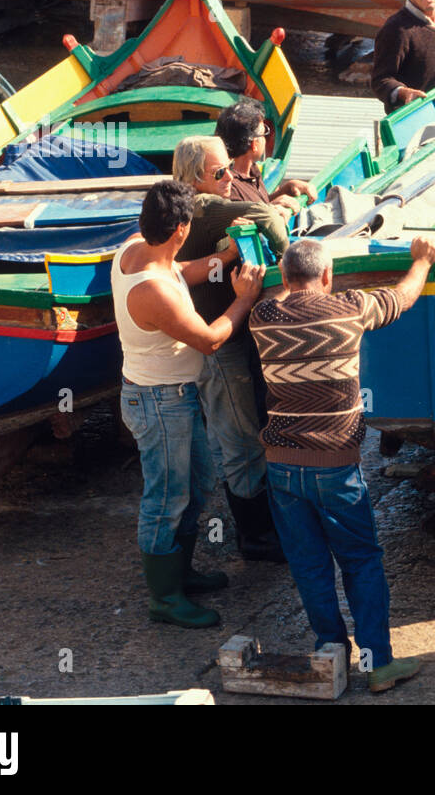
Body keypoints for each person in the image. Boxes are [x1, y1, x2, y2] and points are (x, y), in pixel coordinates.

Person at [250, 235, 435, 692]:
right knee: (360, 561)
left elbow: (281, 294)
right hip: (335, 465)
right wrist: (422, 261)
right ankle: (376, 665)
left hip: (280, 466)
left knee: (309, 564)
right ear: (329, 277)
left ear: (284, 276)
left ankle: (330, 655)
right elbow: (402, 297)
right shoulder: (349, 309)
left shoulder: (263, 317)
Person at [113, 179, 265, 628]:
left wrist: (230, 255)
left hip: (171, 397)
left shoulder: (136, 247)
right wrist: (244, 299)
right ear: (180, 228)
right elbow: (211, 339)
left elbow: (183, 270)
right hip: (160, 403)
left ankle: (180, 573)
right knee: (166, 498)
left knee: (198, 484)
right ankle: (164, 598)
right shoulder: (151, 291)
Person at [173, 135, 290, 563]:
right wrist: (290, 257)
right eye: (219, 173)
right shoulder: (201, 207)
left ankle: (260, 527)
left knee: (237, 431)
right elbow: (262, 211)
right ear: (194, 178)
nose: (229, 179)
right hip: (220, 346)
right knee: (240, 437)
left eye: (228, 169)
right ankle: (256, 536)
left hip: (226, 335)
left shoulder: (193, 208)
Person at [214, 99, 317, 211]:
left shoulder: (252, 171)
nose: (265, 139)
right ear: (254, 144)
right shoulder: (228, 187)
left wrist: (287, 189)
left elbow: (256, 203)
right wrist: (271, 209)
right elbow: (242, 221)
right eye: (265, 133)